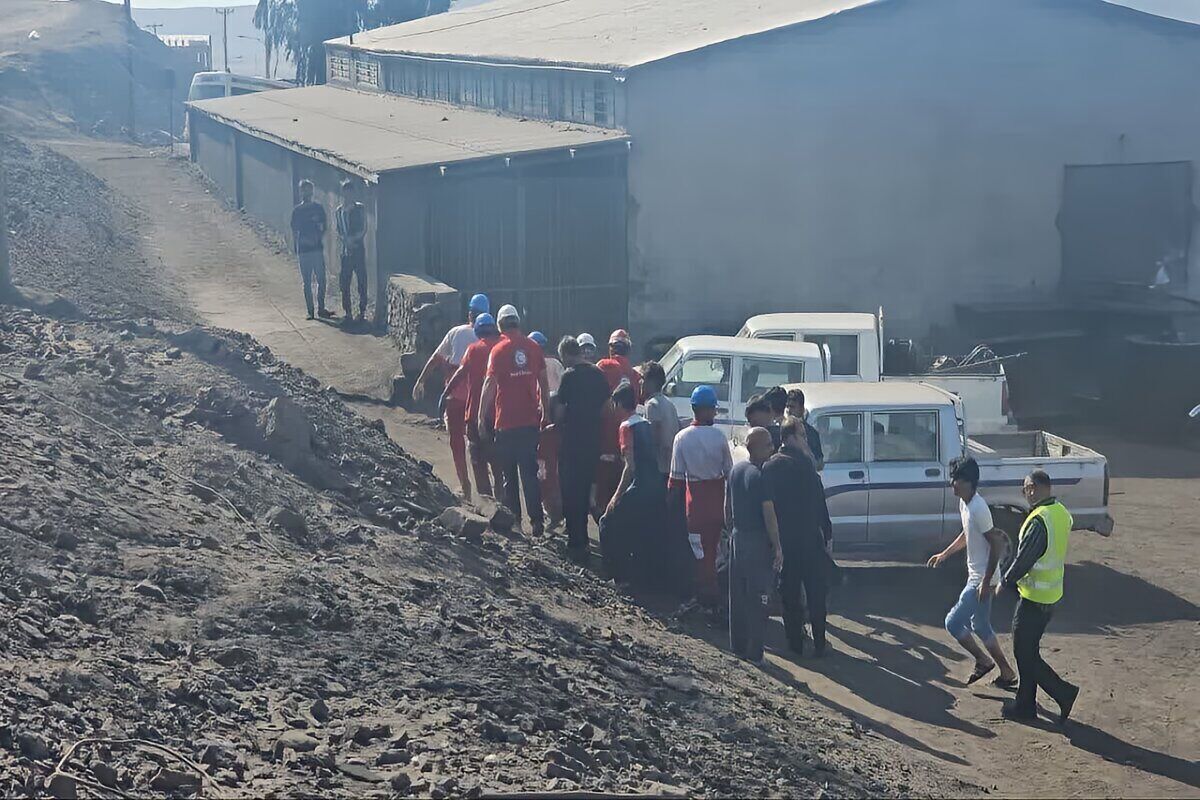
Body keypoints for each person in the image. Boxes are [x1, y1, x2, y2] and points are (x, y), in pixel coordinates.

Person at [927, 457, 1018, 688]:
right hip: (977, 577)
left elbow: (996, 544)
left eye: (956, 479)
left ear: (968, 482)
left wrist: (986, 582)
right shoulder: (965, 504)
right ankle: (1007, 672)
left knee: (953, 622)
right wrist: (945, 554)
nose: (952, 483)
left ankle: (982, 660)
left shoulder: (979, 508)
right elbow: (967, 535)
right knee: (980, 625)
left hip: (982, 580)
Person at [1000, 470, 1079, 724]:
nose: (1025, 494)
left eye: (1025, 489)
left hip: (1034, 598)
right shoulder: (1060, 512)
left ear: (1033, 488)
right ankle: (1025, 706)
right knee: (1028, 651)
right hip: (1051, 594)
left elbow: (1025, 559)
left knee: (1024, 653)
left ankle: (1063, 692)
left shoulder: (1038, 520)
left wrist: (1005, 581)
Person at [763, 417, 833, 655]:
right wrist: (827, 534)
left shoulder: (772, 466)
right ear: (790, 437)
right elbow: (820, 503)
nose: (806, 440)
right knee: (815, 594)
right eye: (802, 436)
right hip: (807, 541)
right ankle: (820, 644)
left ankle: (795, 644)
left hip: (787, 542)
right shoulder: (803, 465)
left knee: (790, 595)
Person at [478, 305, 549, 536]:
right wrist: (545, 412)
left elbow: (489, 385)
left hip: (505, 423)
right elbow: (544, 383)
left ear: (500, 325)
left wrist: (481, 416)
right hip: (529, 421)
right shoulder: (534, 347)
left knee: (509, 475)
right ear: (518, 322)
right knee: (529, 474)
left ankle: (515, 521)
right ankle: (537, 522)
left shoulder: (498, 351)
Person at [414, 293, 490, 499]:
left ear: (469, 314)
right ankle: (488, 491)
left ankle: (465, 486)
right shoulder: (492, 340)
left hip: (455, 398)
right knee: (482, 445)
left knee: (457, 441)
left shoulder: (455, 333)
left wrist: (421, 380)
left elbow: (436, 358)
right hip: (482, 401)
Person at [669, 385, 733, 606]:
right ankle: (713, 596)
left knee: (698, 551)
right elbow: (729, 473)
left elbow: (675, 480)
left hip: (694, 506)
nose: (715, 413)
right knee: (715, 550)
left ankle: (702, 595)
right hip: (717, 504)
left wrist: (669, 509)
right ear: (704, 410)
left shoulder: (681, 437)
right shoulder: (719, 437)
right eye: (713, 409)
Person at [726, 427, 784, 664]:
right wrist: (777, 546)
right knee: (758, 598)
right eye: (769, 444)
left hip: (737, 538)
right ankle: (755, 653)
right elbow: (769, 515)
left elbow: (726, 506)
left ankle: (737, 647)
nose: (773, 448)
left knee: (737, 596)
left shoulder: (736, 470)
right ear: (758, 448)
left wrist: (731, 532)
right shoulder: (761, 477)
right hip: (757, 541)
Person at [599, 383, 665, 584]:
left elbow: (630, 466)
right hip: (655, 485)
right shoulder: (644, 423)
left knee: (607, 522)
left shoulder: (625, 427)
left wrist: (616, 497)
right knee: (640, 530)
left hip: (640, 484)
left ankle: (615, 575)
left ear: (618, 404)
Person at [553, 336, 610, 559]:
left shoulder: (569, 376)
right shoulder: (598, 374)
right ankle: (588, 538)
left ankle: (577, 542)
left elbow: (559, 410)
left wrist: (559, 424)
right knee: (587, 489)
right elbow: (607, 406)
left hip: (572, 441)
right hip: (592, 441)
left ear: (567, 355)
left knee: (571, 490)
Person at [441, 312, 503, 498]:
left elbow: (459, 374)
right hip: (499, 414)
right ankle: (503, 499)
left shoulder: (474, 349)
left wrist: (445, 394)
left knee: (478, 459)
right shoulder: (502, 347)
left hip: (475, 413)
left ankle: (487, 500)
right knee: (498, 462)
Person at [594, 330, 644, 518]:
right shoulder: (635, 375)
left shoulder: (604, 366)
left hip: (603, 437)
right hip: (625, 441)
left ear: (610, 348)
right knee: (620, 490)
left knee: (601, 492)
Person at [530, 331, 563, 528]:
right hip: (557, 419)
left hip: (541, 416)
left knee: (543, 469)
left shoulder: (534, 363)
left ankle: (552, 511)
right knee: (554, 468)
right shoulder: (557, 364)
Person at [289, 180, 331, 320]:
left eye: (308, 190)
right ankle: (310, 311)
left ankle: (321, 308)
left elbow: (324, 226)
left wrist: (318, 237)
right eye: (304, 190)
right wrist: (298, 246)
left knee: (321, 280)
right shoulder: (297, 211)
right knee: (307, 282)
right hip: (304, 251)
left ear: (312, 191)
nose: (306, 193)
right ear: (300, 192)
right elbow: (294, 231)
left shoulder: (318, 208)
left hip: (317, 249)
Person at [335, 179, 369, 322]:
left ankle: (362, 312)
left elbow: (364, 227)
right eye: (346, 192)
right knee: (345, 282)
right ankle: (348, 312)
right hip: (345, 252)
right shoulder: (339, 211)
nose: (348, 195)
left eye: (350, 192)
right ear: (343, 193)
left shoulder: (360, 208)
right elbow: (338, 230)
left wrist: (354, 239)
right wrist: (345, 240)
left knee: (362, 281)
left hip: (358, 250)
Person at [784, 388, 825, 470]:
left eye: (792, 406)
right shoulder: (781, 430)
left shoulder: (811, 433)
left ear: (801, 408)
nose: (789, 410)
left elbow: (820, 464)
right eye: (787, 406)